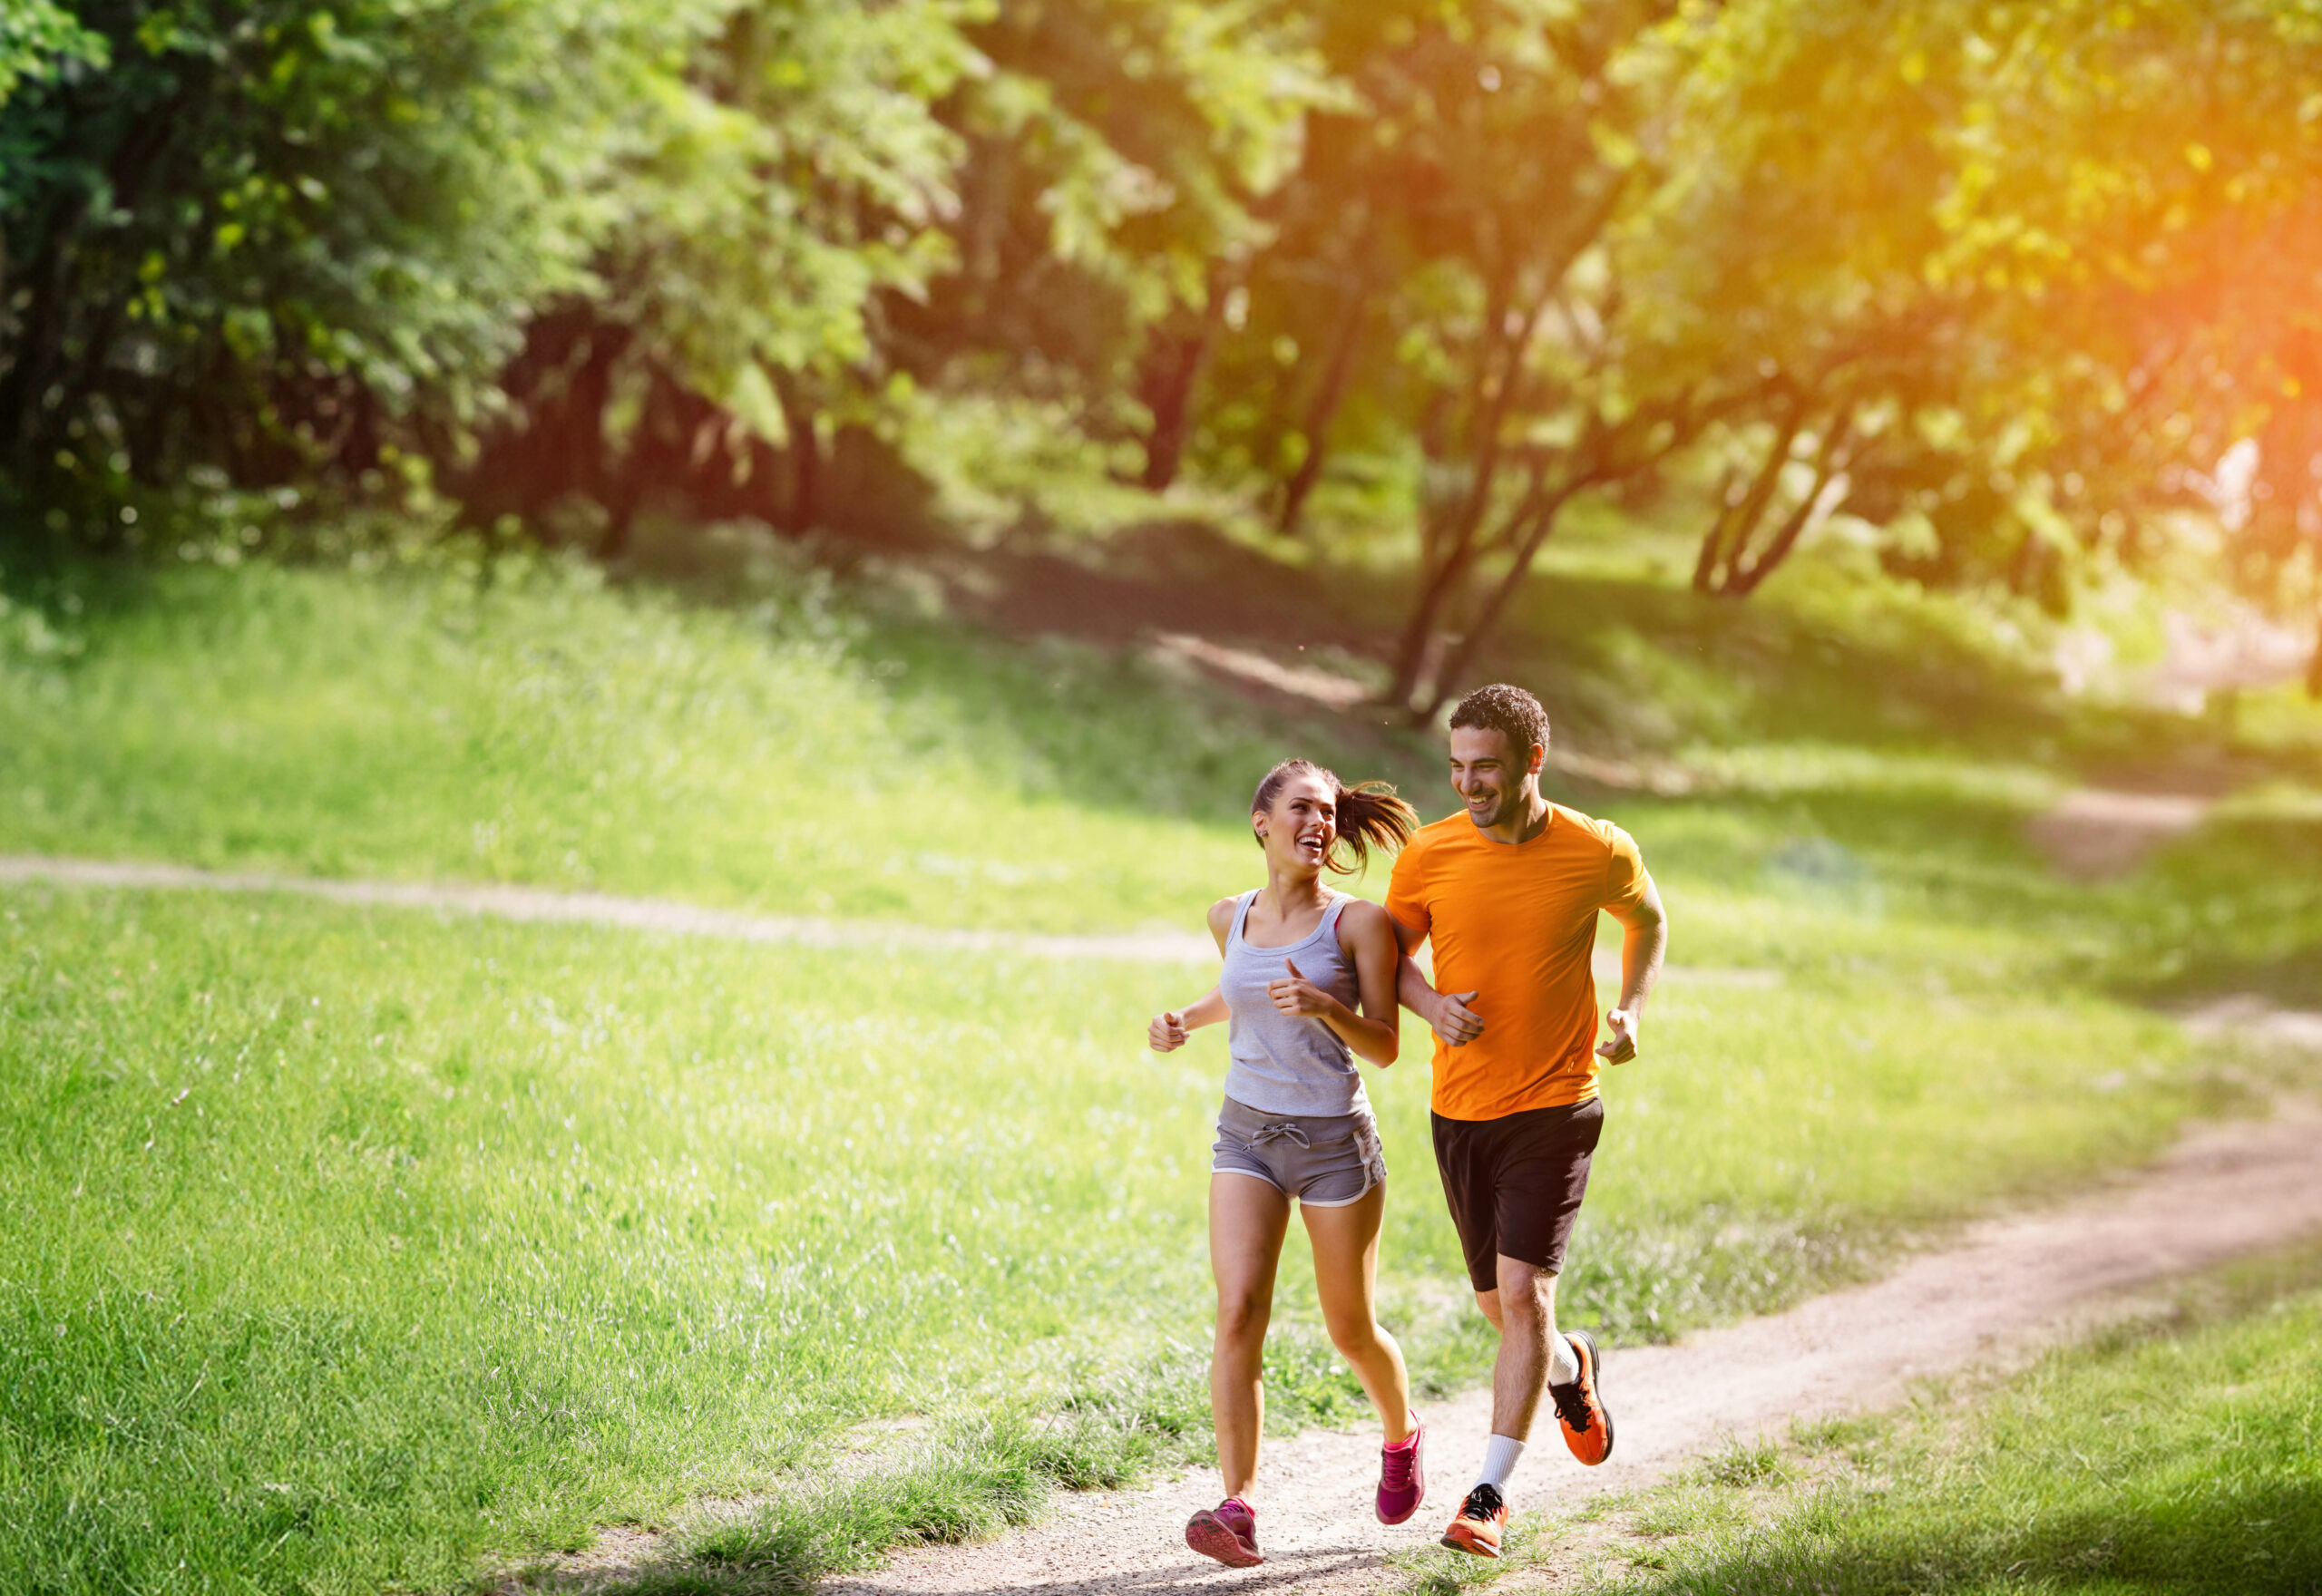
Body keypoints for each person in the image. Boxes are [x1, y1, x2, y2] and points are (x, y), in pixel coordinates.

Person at [1386, 685, 1668, 1559]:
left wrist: (1630, 1012)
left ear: (1532, 762)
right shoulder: (1430, 854)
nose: (1469, 783)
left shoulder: (1595, 847)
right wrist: (1431, 1003)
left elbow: (1647, 920)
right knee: (1498, 1309)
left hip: (1556, 1103)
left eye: (1487, 768)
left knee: (1522, 1295)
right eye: (1458, 767)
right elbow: (1387, 959)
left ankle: (1489, 1496)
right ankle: (1570, 1371)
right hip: (1460, 1108)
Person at [1147, 759, 1428, 1568]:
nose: (1320, 822)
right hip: (1247, 1135)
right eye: (1303, 807)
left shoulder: (1357, 925)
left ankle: (1402, 1433)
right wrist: (1185, 1020)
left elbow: (1385, 1046)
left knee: (1351, 1329)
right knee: (1238, 1312)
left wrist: (1329, 1008)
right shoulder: (1226, 915)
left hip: (1337, 1145)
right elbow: (1241, 990)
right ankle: (1237, 1507)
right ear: (1261, 820)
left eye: (1331, 812)